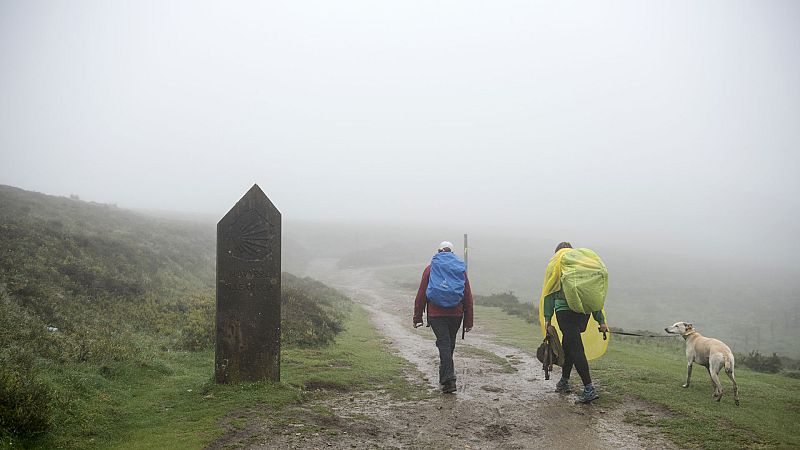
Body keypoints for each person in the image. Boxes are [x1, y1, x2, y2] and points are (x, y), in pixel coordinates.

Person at [543, 241, 609, 403]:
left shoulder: (557, 264)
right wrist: (600, 320)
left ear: (557, 252)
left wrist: (547, 318)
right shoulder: (579, 265)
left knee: (576, 348)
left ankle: (588, 388)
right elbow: (591, 296)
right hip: (583, 314)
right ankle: (564, 382)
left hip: (565, 312)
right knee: (569, 345)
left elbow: (550, 292)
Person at [413, 241, 474, 394]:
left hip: (436, 314)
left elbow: (421, 294)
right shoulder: (460, 269)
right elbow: (467, 296)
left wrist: (418, 317)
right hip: (456, 314)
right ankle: (446, 379)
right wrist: (468, 320)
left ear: (439, 251)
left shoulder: (430, 269)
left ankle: (449, 379)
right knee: (448, 344)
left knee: (444, 344)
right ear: (452, 253)